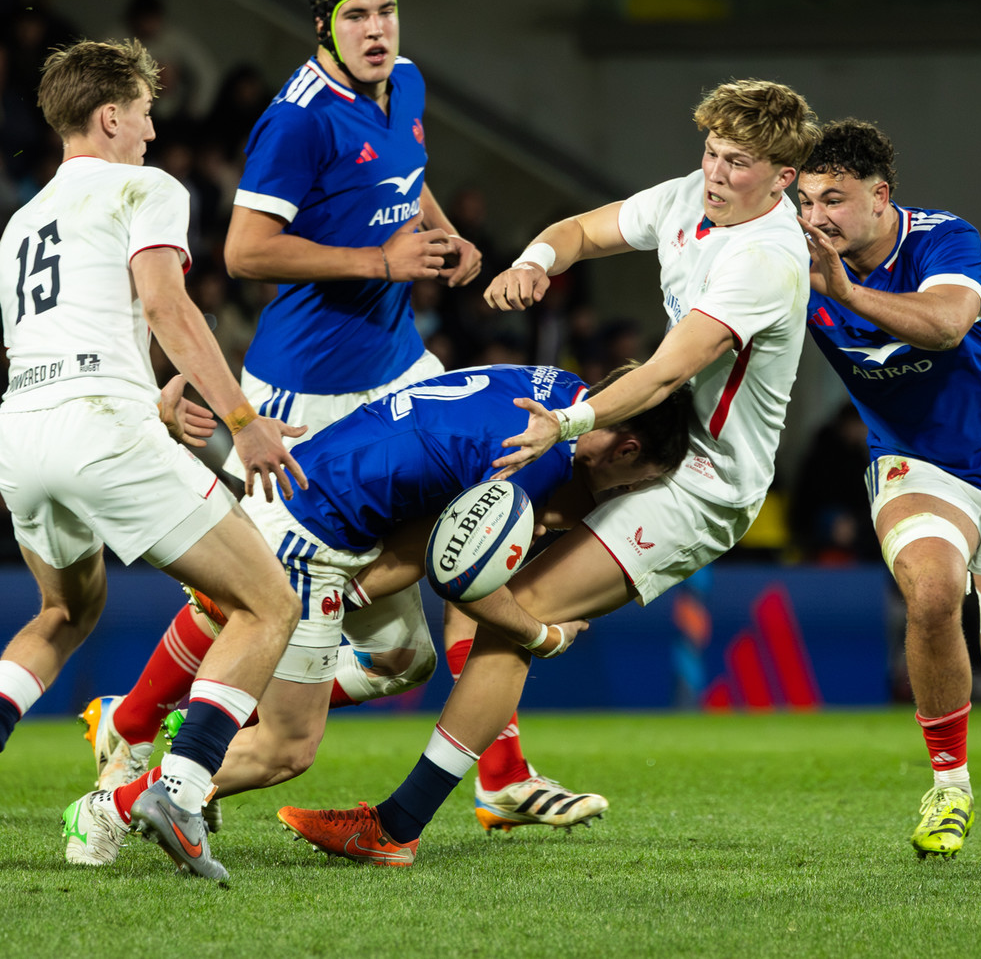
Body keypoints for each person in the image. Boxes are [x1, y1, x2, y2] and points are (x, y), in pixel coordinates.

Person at [87, 0, 590, 829]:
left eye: (386, 12)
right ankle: (138, 724)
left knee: (482, 531)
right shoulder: (297, 119)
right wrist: (381, 259)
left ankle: (499, 773)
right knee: (250, 598)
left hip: (400, 368)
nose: (376, 30)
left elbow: (405, 177)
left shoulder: (409, 84)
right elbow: (243, 251)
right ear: (323, 28)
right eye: (356, 17)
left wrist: (441, 235)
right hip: (305, 394)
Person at [276, 78, 819, 865]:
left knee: (508, 605)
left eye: (738, 163)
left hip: (695, 482)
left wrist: (566, 426)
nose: (715, 174)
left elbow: (667, 374)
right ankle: (491, 772)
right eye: (710, 153)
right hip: (635, 446)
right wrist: (535, 260)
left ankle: (395, 824)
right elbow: (576, 231)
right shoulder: (690, 200)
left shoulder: (767, 256)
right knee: (471, 568)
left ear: (784, 178)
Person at [0, 38, 306, 883]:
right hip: (99, 428)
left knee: (64, 611)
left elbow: (69, 337)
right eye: (142, 113)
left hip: (22, 429)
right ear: (109, 116)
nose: (153, 130)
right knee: (268, 601)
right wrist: (242, 420)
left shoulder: (19, 225)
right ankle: (184, 782)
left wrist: (154, 396)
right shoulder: (147, 188)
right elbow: (165, 303)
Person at [61, 363, 693, 866]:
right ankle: (111, 808)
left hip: (328, 505)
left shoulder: (551, 388)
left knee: (403, 658)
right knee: (288, 750)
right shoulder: (538, 457)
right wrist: (543, 634)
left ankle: (206, 723)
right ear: (626, 448)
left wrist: (361, 591)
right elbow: (463, 580)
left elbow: (432, 516)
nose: (624, 496)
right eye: (635, 483)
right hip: (309, 539)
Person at [792, 119, 981, 860]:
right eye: (805, 199)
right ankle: (949, 788)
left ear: (880, 197)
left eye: (834, 199)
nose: (815, 218)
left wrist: (844, 291)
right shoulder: (793, 257)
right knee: (933, 591)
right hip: (914, 461)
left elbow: (947, 324)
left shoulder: (943, 238)